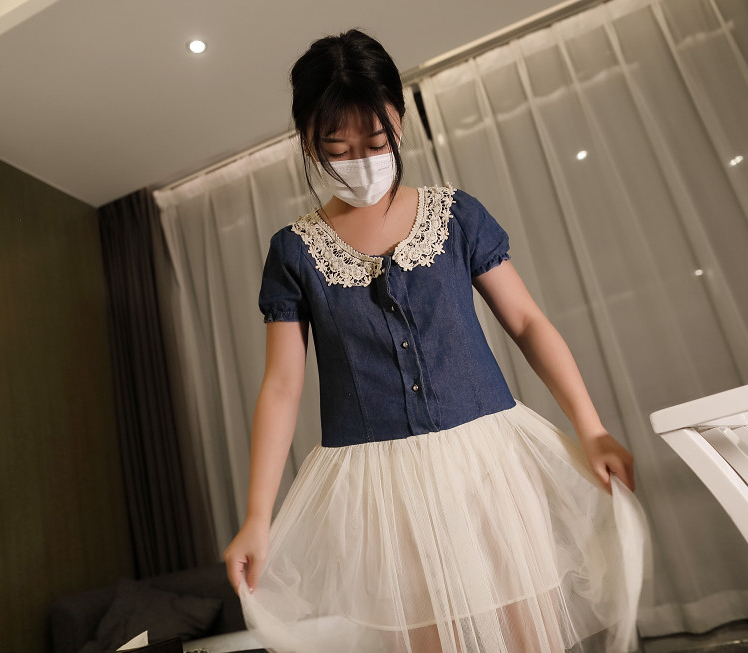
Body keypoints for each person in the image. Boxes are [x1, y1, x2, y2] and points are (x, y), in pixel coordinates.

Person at [224, 28, 649, 653]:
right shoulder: (294, 252)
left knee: (526, 629)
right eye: (336, 147)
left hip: (489, 464)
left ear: (400, 120)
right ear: (309, 143)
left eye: (376, 141)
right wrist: (258, 516)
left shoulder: (455, 215)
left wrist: (590, 428)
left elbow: (527, 322)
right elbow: (283, 385)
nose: (360, 160)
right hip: (381, 490)